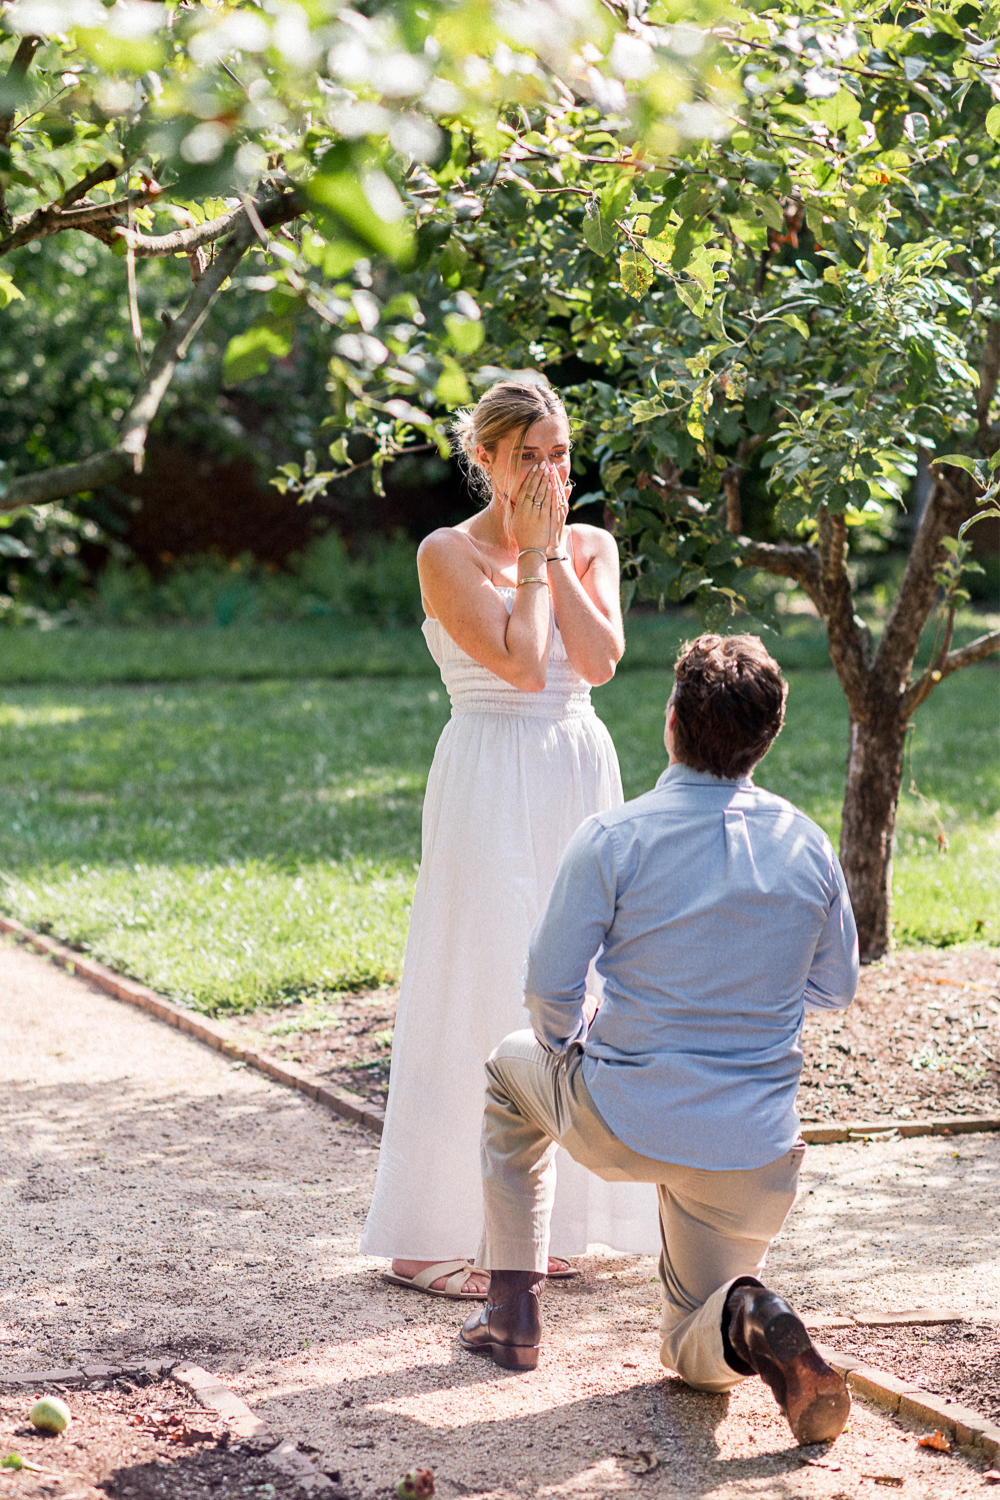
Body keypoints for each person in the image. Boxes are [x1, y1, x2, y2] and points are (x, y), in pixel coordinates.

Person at [460, 633, 860, 1446]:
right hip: (754, 1148)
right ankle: (750, 1312)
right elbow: (834, 987)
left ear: (672, 722)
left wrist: (569, 1043)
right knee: (690, 1340)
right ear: (768, 736)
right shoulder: (807, 845)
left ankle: (513, 1314)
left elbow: (548, 991)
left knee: (510, 1070)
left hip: (625, 1121)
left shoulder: (614, 839)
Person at [360, 378, 659, 1298]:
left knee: (576, 983)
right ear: (483, 458)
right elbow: (524, 665)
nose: (547, 471)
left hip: (577, 766)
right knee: (483, 971)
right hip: (489, 770)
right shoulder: (444, 553)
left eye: (559, 452)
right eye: (527, 455)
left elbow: (599, 662)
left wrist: (556, 556)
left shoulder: (594, 545)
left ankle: (546, 1224)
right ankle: (430, 1234)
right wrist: (530, 555)